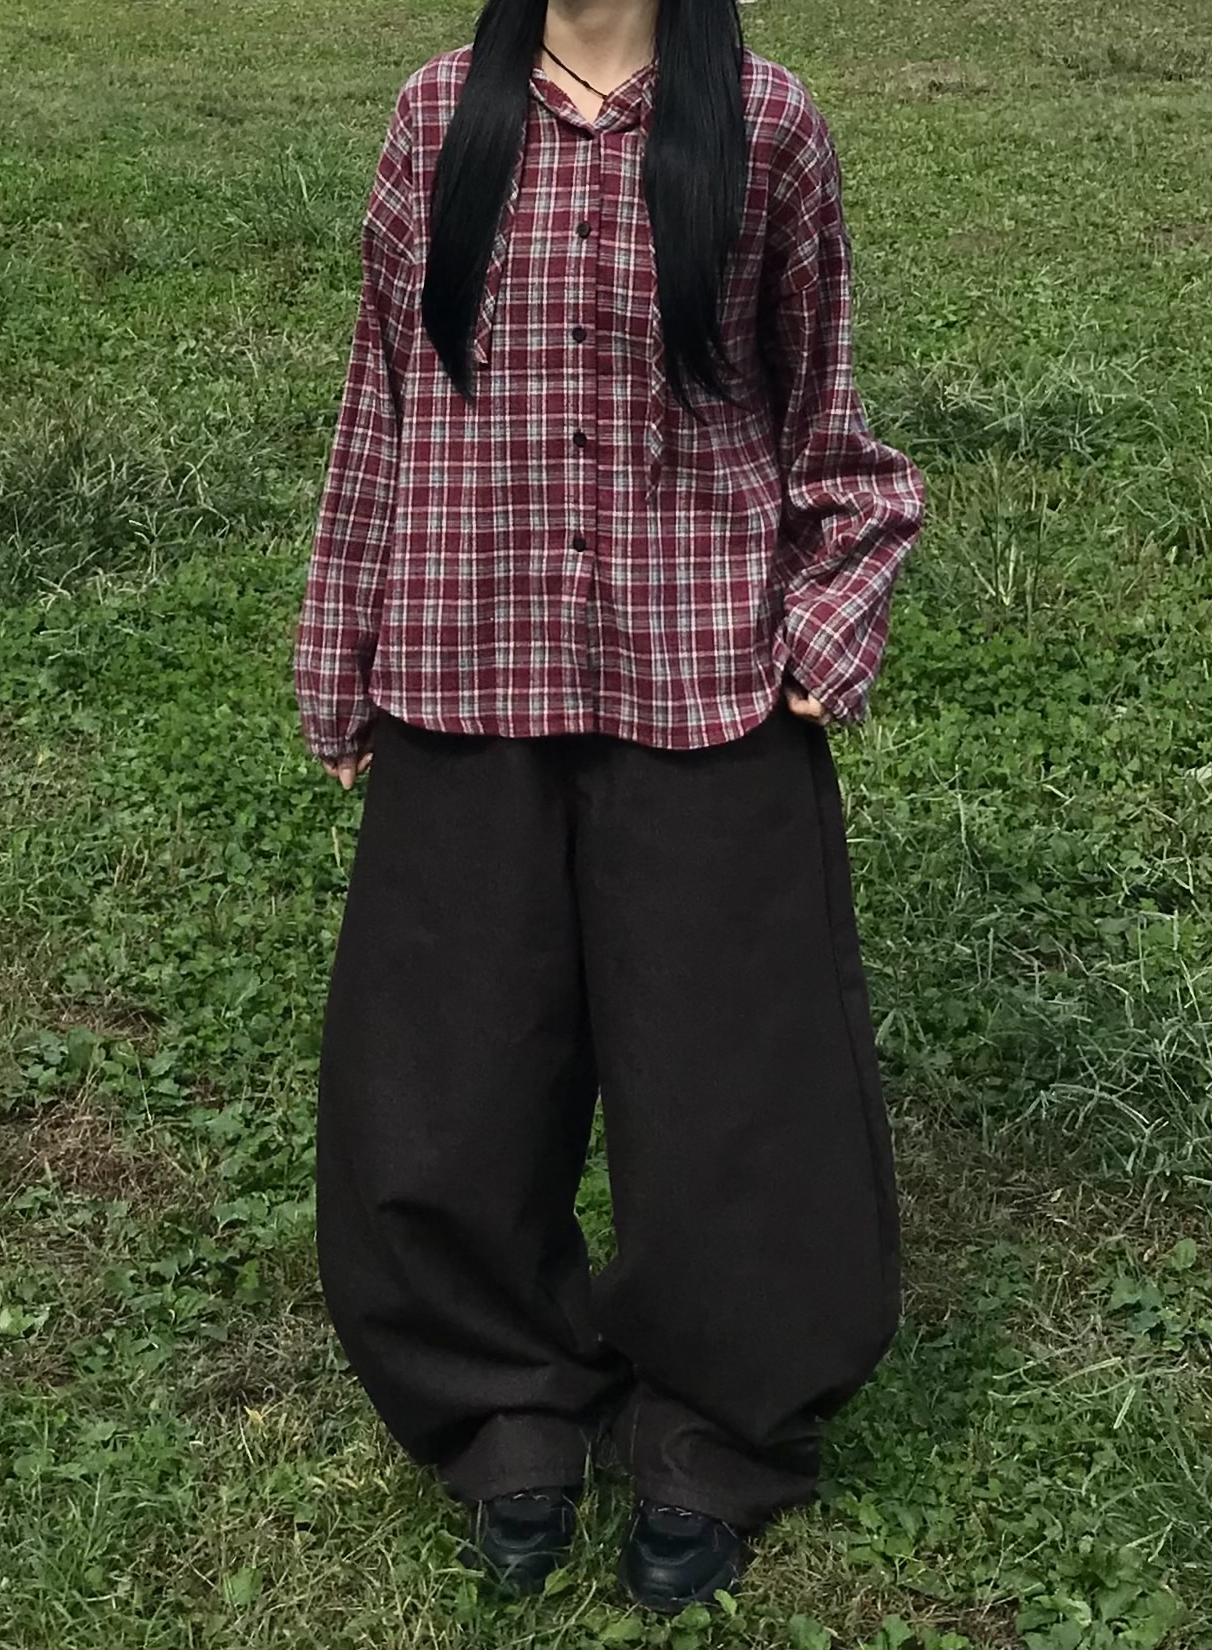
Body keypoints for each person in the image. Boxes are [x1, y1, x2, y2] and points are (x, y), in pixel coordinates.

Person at [292, 0, 924, 1617]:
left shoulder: (766, 126)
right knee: (444, 1079)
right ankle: (501, 1401)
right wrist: (341, 641)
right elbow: (380, 395)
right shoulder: (437, 117)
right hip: (462, 655)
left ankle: (712, 1425)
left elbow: (821, 407)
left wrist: (822, 626)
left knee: (731, 1089)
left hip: (701, 678)